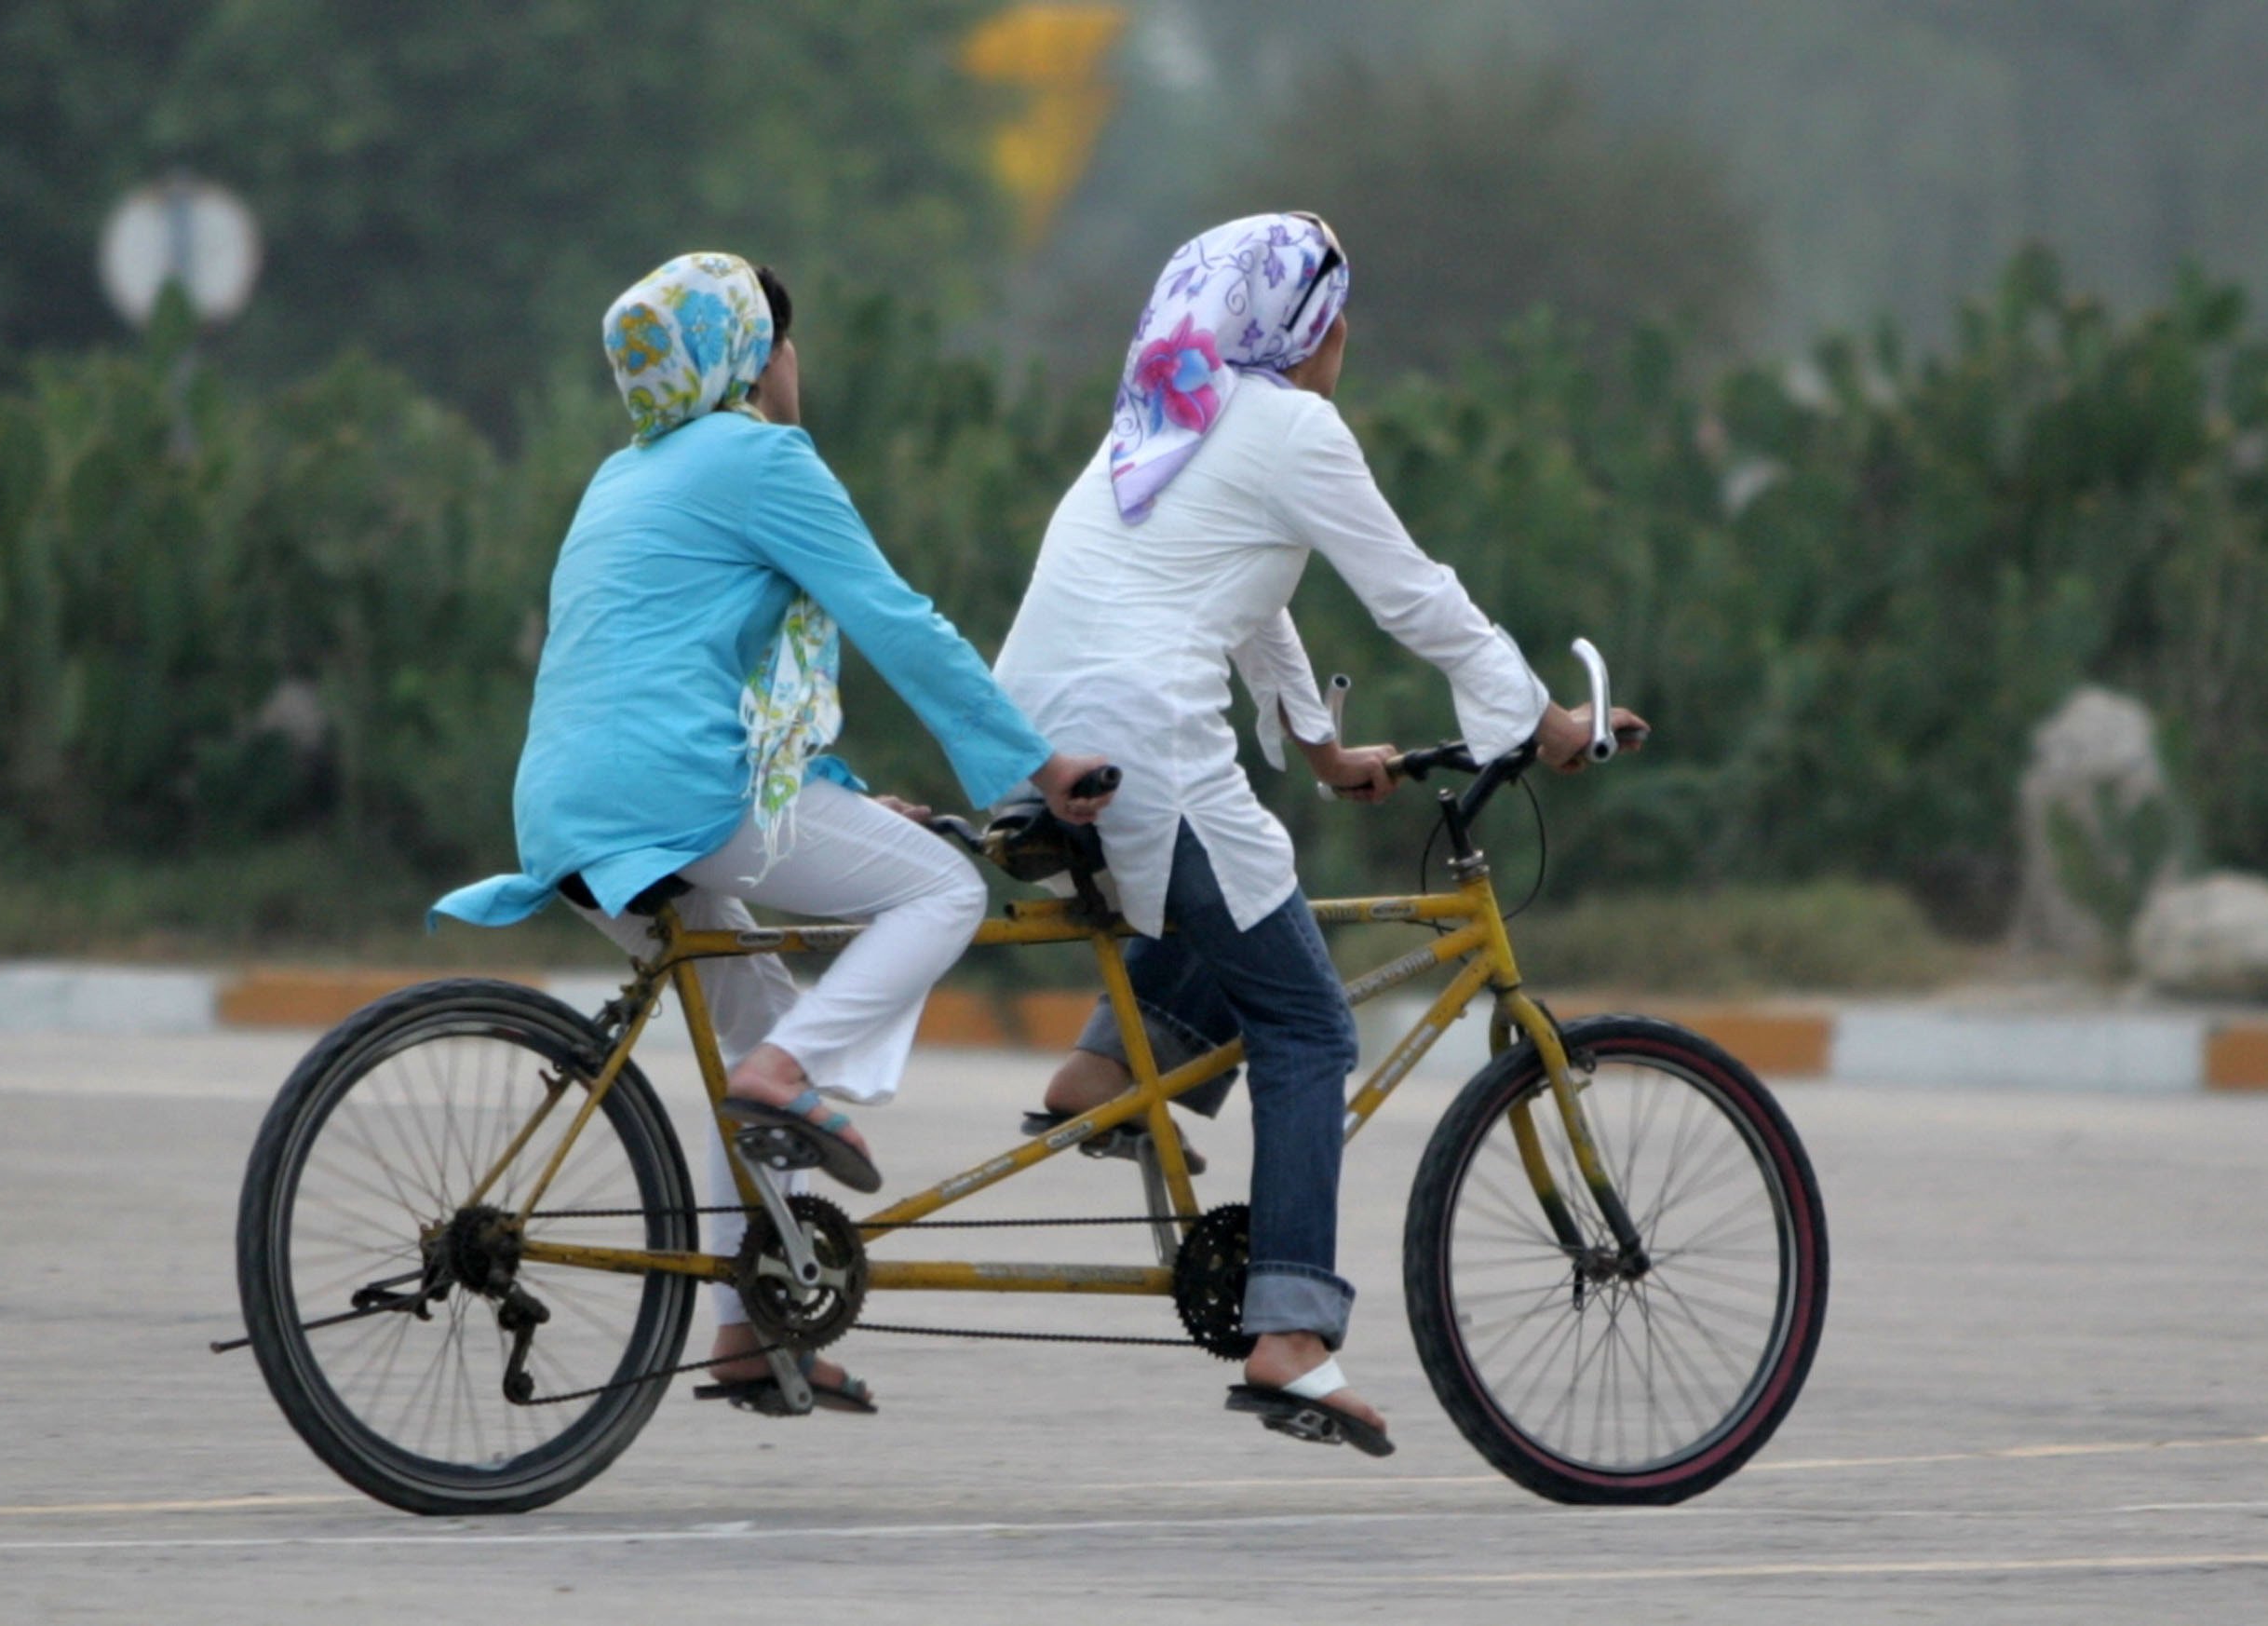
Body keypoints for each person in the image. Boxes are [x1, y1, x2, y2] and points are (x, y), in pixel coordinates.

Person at [992, 213, 1646, 1456]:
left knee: (1247, 879)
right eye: (1337, 313)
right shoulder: (1292, 425)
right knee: (1308, 1020)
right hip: (1142, 740)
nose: (1347, 337)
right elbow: (1413, 591)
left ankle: (1105, 1066)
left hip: (1036, 731)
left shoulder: (1165, 415)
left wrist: (1321, 746)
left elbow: (1243, 593)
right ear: (1303, 328)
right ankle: (1291, 1332)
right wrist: (1543, 720)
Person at [433, 251, 1114, 1413]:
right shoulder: (760, 456)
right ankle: (789, 1076)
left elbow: (686, 675)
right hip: (673, 801)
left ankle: (748, 1333)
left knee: (748, 1003)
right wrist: (1040, 767)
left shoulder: (623, 474)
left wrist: (842, 799)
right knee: (940, 893)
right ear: (754, 356)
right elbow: (901, 622)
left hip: (568, 809)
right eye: (781, 344)